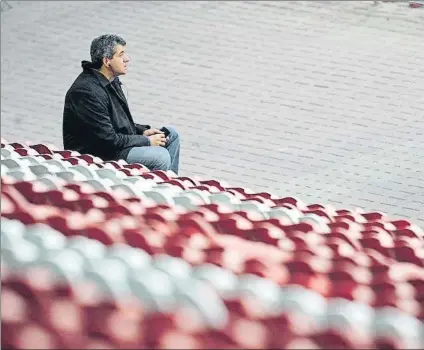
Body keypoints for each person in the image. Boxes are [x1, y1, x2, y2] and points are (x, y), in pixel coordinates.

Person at [62, 34, 180, 174]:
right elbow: (108, 140)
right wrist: (146, 141)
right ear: (107, 61)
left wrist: (141, 131)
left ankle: (169, 185)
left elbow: (116, 123)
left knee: (172, 134)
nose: (127, 59)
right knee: (160, 157)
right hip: (100, 155)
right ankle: (156, 191)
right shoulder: (86, 92)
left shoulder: (110, 79)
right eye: (121, 54)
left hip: (114, 146)